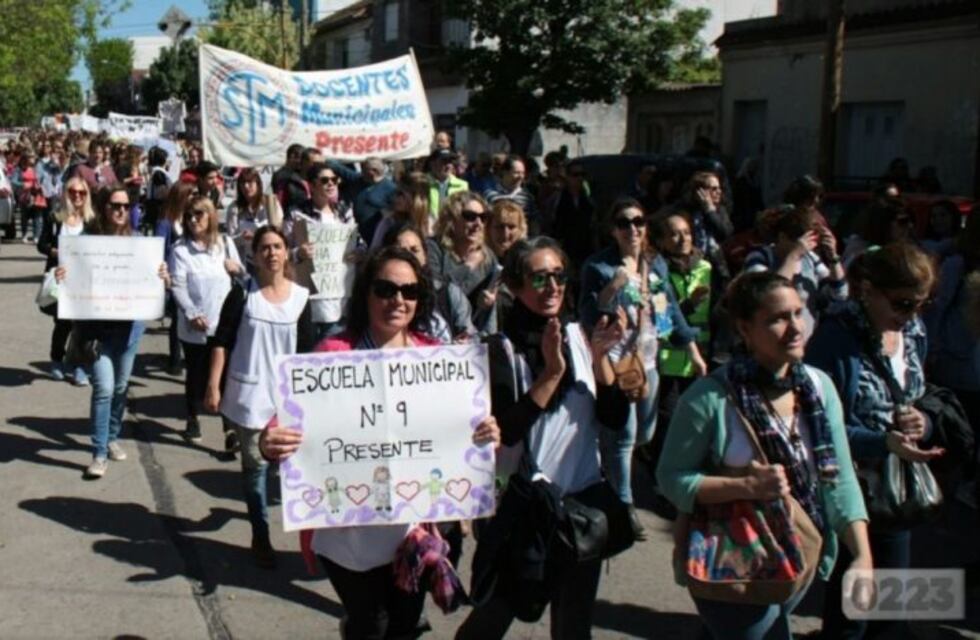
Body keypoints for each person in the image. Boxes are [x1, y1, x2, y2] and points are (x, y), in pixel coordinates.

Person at [259, 246, 500, 638]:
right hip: (348, 535)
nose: (397, 300)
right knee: (371, 626)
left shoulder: (436, 361)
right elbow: (283, 423)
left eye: (409, 292)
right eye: (385, 289)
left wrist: (485, 435)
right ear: (366, 294)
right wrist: (269, 442)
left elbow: (462, 435)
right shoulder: (335, 354)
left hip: (413, 532)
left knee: (405, 626)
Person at [657, 271, 872, 640]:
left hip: (802, 554)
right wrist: (744, 486)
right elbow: (671, 479)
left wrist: (862, 555)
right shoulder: (710, 398)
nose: (795, 327)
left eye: (798, 313)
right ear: (744, 329)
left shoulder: (819, 388)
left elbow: (838, 479)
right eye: (777, 318)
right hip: (732, 567)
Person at [456, 237, 627, 640]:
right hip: (522, 511)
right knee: (491, 621)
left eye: (558, 276)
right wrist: (550, 375)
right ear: (515, 288)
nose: (552, 287)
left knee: (573, 627)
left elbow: (614, 419)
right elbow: (507, 429)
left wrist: (602, 362)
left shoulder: (581, 338)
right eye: (539, 278)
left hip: (579, 511)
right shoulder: (500, 350)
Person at [806, 242, 943, 639]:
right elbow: (819, 427)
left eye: (921, 304)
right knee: (852, 613)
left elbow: (923, 394)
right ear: (867, 290)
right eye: (902, 303)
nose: (911, 315)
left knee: (890, 610)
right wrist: (882, 441)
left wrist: (925, 421)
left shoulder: (913, 330)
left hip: (897, 489)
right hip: (850, 490)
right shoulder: (835, 340)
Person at [579, 198, 701, 536]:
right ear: (613, 229)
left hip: (647, 361)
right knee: (626, 435)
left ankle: (607, 464)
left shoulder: (654, 263)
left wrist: (691, 349)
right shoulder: (599, 267)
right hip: (616, 363)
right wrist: (611, 290)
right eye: (624, 223)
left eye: (639, 222)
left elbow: (669, 310)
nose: (632, 229)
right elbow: (588, 317)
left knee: (644, 434)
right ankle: (624, 508)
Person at [204, 226, 315, 568]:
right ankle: (261, 535)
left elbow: (308, 353)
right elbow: (221, 340)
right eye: (264, 247)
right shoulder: (242, 294)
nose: (271, 253)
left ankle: (314, 544)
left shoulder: (301, 298)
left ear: (286, 253)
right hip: (250, 395)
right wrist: (213, 384)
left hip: (289, 400)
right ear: (253, 255)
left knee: (297, 469)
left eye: (278, 246)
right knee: (256, 469)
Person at [54, 186, 171, 479]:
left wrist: (162, 279)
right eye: (115, 205)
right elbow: (71, 275)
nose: (121, 211)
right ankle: (99, 453)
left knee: (120, 388)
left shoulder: (140, 243)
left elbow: (155, 286)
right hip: (96, 331)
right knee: (104, 388)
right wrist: (62, 275)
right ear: (104, 207)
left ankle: (112, 436)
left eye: (126, 206)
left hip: (129, 330)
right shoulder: (87, 241)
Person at [169, 196, 245, 442]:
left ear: (210, 216)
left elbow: (243, 277)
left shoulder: (224, 243)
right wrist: (191, 313)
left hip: (222, 324)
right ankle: (192, 417)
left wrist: (237, 269)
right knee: (196, 374)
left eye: (198, 215)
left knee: (224, 376)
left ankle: (229, 427)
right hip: (195, 326)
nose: (193, 220)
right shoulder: (180, 250)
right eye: (189, 216)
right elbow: (178, 286)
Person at [742, 207, 847, 339]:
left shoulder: (810, 259)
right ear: (782, 237)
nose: (805, 248)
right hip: (772, 342)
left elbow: (840, 294)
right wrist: (794, 256)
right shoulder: (760, 257)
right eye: (798, 242)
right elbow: (767, 295)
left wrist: (833, 257)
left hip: (805, 342)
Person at [286, 162, 358, 340]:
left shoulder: (345, 212)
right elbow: (282, 250)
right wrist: (297, 253)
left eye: (334, 179)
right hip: (308, 298)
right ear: (311, 185)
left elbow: (358, 242)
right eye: (325, 180)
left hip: (339, 297)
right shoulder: (297, 213)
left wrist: (359, 253)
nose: (331, 184)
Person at [37, 176, 95, 384]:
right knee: (62, 323)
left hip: (84, 279)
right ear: (66, 193)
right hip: (61, 277)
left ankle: (79, 366)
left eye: (82, 192)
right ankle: (56, 360)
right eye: (73, 192)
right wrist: (56, 252)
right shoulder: (55, 217)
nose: (77, 196)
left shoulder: (91, 220)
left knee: (82, 325)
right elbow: (42, 245)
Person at [381, 223, 475, 343]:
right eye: (402, 251)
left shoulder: (448, 293)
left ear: (425, 256)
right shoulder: (378, 298)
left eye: (414, 250)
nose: (409, 257)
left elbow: (471, 336)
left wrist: (465, 344)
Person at [427, 191, 499, 336]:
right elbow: (435, 293)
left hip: (474, 334)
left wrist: (488, 302)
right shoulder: (434, 247)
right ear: (452, 219)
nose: (478, 224)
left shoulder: (488, 256)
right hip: (438, 330)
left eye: (483, 218)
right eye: (470, 217)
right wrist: (467, 267)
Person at [225, 168, 284, 273]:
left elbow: (279, 231)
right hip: (246, 262)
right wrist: (242, 237)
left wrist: (258, 236)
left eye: (250, 182)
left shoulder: (271, 203)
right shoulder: (234, 208)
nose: (246, 187)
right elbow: (230, 240)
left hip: (269, 260)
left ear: (258, 184)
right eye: (243, 183)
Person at [326, 157, 396, 243]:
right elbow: (339, 169)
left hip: (377, 237)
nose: (361, 171)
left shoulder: (391, 189)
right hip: (356, 235)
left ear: (373, 171)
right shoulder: (358, 180)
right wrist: (326, 160)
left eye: (364, 169)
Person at [841, 196, 915, 268]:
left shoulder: (910, 252)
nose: (910, 225)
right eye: (903, 221)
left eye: (912, 219)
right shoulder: (863, 255)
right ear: (883, 224)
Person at [548, 162, 595, 267]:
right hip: (564, 249)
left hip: (585, 250)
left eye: (582, 174)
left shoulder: (588, 200)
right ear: (568, 177)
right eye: (575, 175)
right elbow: (550, 223)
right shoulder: (557, 199)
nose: (579, 178)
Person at [370, 172, 431, 248]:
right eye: (395, 193)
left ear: (415, 198)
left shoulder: (431, 225)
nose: (395, 198)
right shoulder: (387, 224)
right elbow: (374, 253)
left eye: (400, 194)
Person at [482, 155, 539, 235]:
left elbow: (534, 223)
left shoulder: (527, 198)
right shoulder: (490, 195)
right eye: (517, 173)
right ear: (505, 172)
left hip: (520, 244)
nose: (521, 177)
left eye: (522, 173)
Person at [427, 148, 468, 220]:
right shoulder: (423, 183)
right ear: (432, 164)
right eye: (444, 161)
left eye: (450, 161)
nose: (448, 165)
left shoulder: (462, 185)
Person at [733, 157, 765, 233]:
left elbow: (758, 200)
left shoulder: (755, 183)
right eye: (752, 167)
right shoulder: (740, 182)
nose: (753, 170)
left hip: (751, 215)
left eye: (755, 168)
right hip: (741, 216)